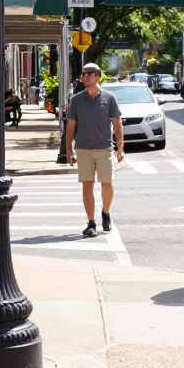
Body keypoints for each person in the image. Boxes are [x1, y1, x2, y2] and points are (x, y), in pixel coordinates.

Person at [65, 62, 125, 238]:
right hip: (83, 148)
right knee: (87, 185)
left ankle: (105, 212)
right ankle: (91, 222)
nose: (86, 77)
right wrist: (69, 150)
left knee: (107, 184)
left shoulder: (109, 98)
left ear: (98, 76)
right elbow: (70, 126)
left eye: (90, 74)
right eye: (84, 74)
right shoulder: (76, 100)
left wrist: (120, 147)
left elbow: (117, 123)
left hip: (105, 147)